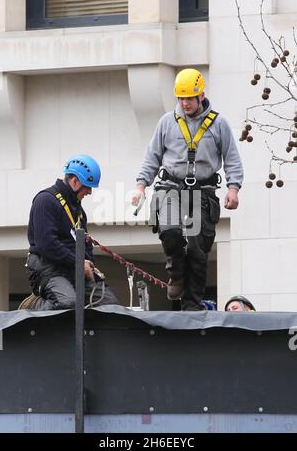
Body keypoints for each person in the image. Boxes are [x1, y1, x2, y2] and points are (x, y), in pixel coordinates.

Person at [132, 68, 243, 311]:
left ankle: (192, 303)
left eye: (189, 98)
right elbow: (152, 156)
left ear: (200, 95)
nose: (185, 103)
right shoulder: (167, 122)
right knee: (170, 232)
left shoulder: (218, 124)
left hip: (202, 191)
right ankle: (177, 273)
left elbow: (232, 158)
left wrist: (233, 188)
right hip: (170, 186)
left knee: (197, 247)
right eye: (181, 98)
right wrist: (141, 186)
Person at [25, 154, 118, 310]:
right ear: (75, 181)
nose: (89, 192)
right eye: (88, 186)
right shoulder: (46, 200)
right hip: (47, 269)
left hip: (73, 268)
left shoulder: (79, 211)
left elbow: (85, 245)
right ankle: (34, 308)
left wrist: (90, 265)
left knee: (109, 306)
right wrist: (79, 262)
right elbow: (46, 244)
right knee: (67, 302)